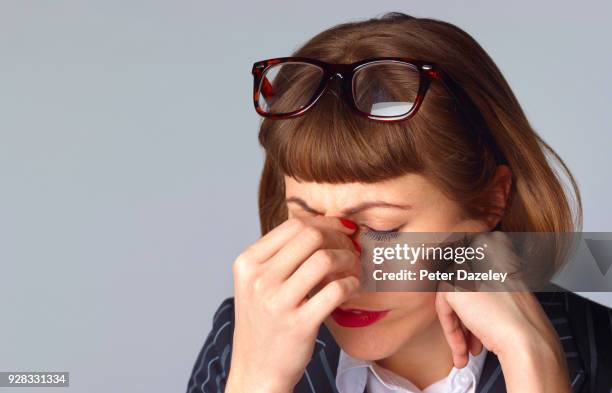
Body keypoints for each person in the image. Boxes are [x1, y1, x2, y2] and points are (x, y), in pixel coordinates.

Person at [187, 12, 612, 393]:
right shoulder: (241, 339)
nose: (343, 270)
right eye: (308, 219)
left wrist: (535, 369)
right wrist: (257, 382)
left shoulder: (599, 348)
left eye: (381, 229)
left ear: (489, 201)